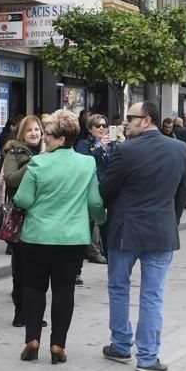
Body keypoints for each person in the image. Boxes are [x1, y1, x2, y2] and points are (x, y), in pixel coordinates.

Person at [100, 101, 186, 371]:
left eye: (130, 118)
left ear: (146, 119)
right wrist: (170, 221)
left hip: (126, 231)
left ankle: (122, 345)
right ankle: (148, 357)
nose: (125, 122)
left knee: (119, 288)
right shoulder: (179, 148)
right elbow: (182, 192)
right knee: (153, 295)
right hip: (161, 231)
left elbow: (106, 191)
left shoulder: (125, 150)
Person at [13, 110, 105, 365]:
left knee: (34, 288)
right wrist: (102, 219)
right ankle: (58, 345)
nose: (46, 140)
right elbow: (95, 202)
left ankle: (32, 340)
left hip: (38, 236)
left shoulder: (38, 163)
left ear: (62, 139)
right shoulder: (87, 164)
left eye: (50, 136)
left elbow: (23, 199)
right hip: (72, 238)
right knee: (64, 290)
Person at [1, 115, 44, 328]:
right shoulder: (15, 152)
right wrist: (31, 165)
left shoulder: (48, 151)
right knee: (21, 269)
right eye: (30, 130)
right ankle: (20, 313)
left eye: (37, 129)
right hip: (21, 217)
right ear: (22, 134)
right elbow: (9, 179)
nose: (34, 133)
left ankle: (35, 313)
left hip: (43, 217)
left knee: (39, 270)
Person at [74, 113, 113, 264]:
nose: (102, 128)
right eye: (98, 125)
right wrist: (99, 147)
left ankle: (107, 253)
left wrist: (122, 145)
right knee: (92, 222)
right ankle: (92, 253)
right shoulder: (84, 144)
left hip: (106, 188)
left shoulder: (112, 144)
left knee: (106, 223)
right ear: (90, 129)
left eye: (104, 125)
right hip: (90, 189)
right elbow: (84, 162)